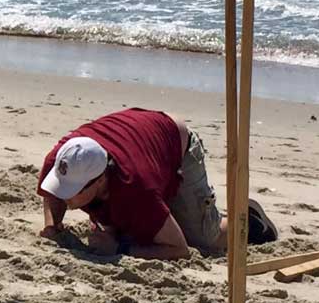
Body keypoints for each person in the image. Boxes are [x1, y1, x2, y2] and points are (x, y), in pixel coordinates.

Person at [36, 108, 276, 259]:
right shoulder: (63, 157)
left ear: (99, 181)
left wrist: (119, 248)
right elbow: (51, 193)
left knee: (204, 239)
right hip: (139, 139)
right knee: (130, 223)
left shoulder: (136, 189)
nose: (63, 195)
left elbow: (179, 249)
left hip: (177, 146)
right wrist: (52, 226)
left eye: (72, 190)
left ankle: (249, 218)